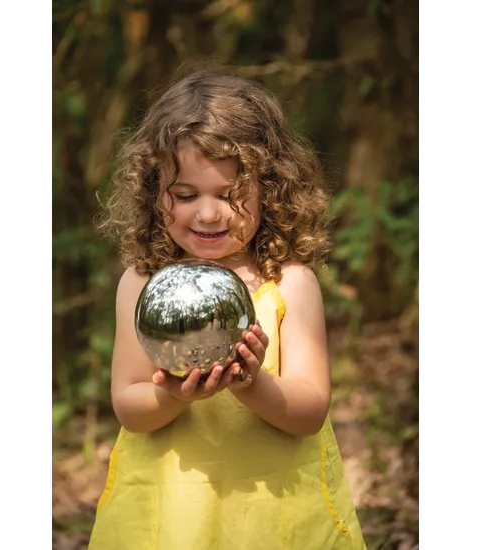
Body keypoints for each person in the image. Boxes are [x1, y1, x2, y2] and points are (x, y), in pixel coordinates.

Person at [88, 65, 367, 550]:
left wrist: (252, 383)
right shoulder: (142, 283)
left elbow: (309, 412)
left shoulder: (289, 284)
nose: (208, 213)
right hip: (171, 512)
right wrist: (176, 395)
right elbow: (129, 407)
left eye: (230, 195)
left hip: (272, 511)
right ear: (154, 192)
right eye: (185, 195)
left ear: (269, 189)